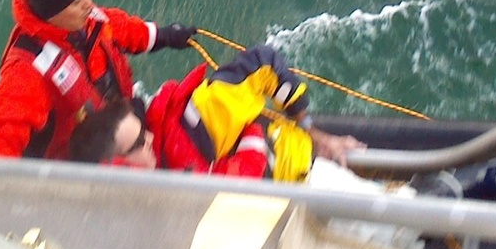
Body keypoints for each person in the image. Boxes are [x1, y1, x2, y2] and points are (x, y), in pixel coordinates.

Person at [0, 0, 197, 159]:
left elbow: (126, 30)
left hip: (116, 125)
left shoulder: (87, 21)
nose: (89, 4)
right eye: (76, 2)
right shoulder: (25, 71)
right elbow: (0, 138)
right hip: (81, 165)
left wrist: (167, 35)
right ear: (52, 14)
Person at [68, 44, 365, 180]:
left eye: (143, 132)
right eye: (138, 144)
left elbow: (264, 63)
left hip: (304, 170)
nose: (148, 139)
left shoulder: (199, 117)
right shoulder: (156, 185)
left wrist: (314, 132)